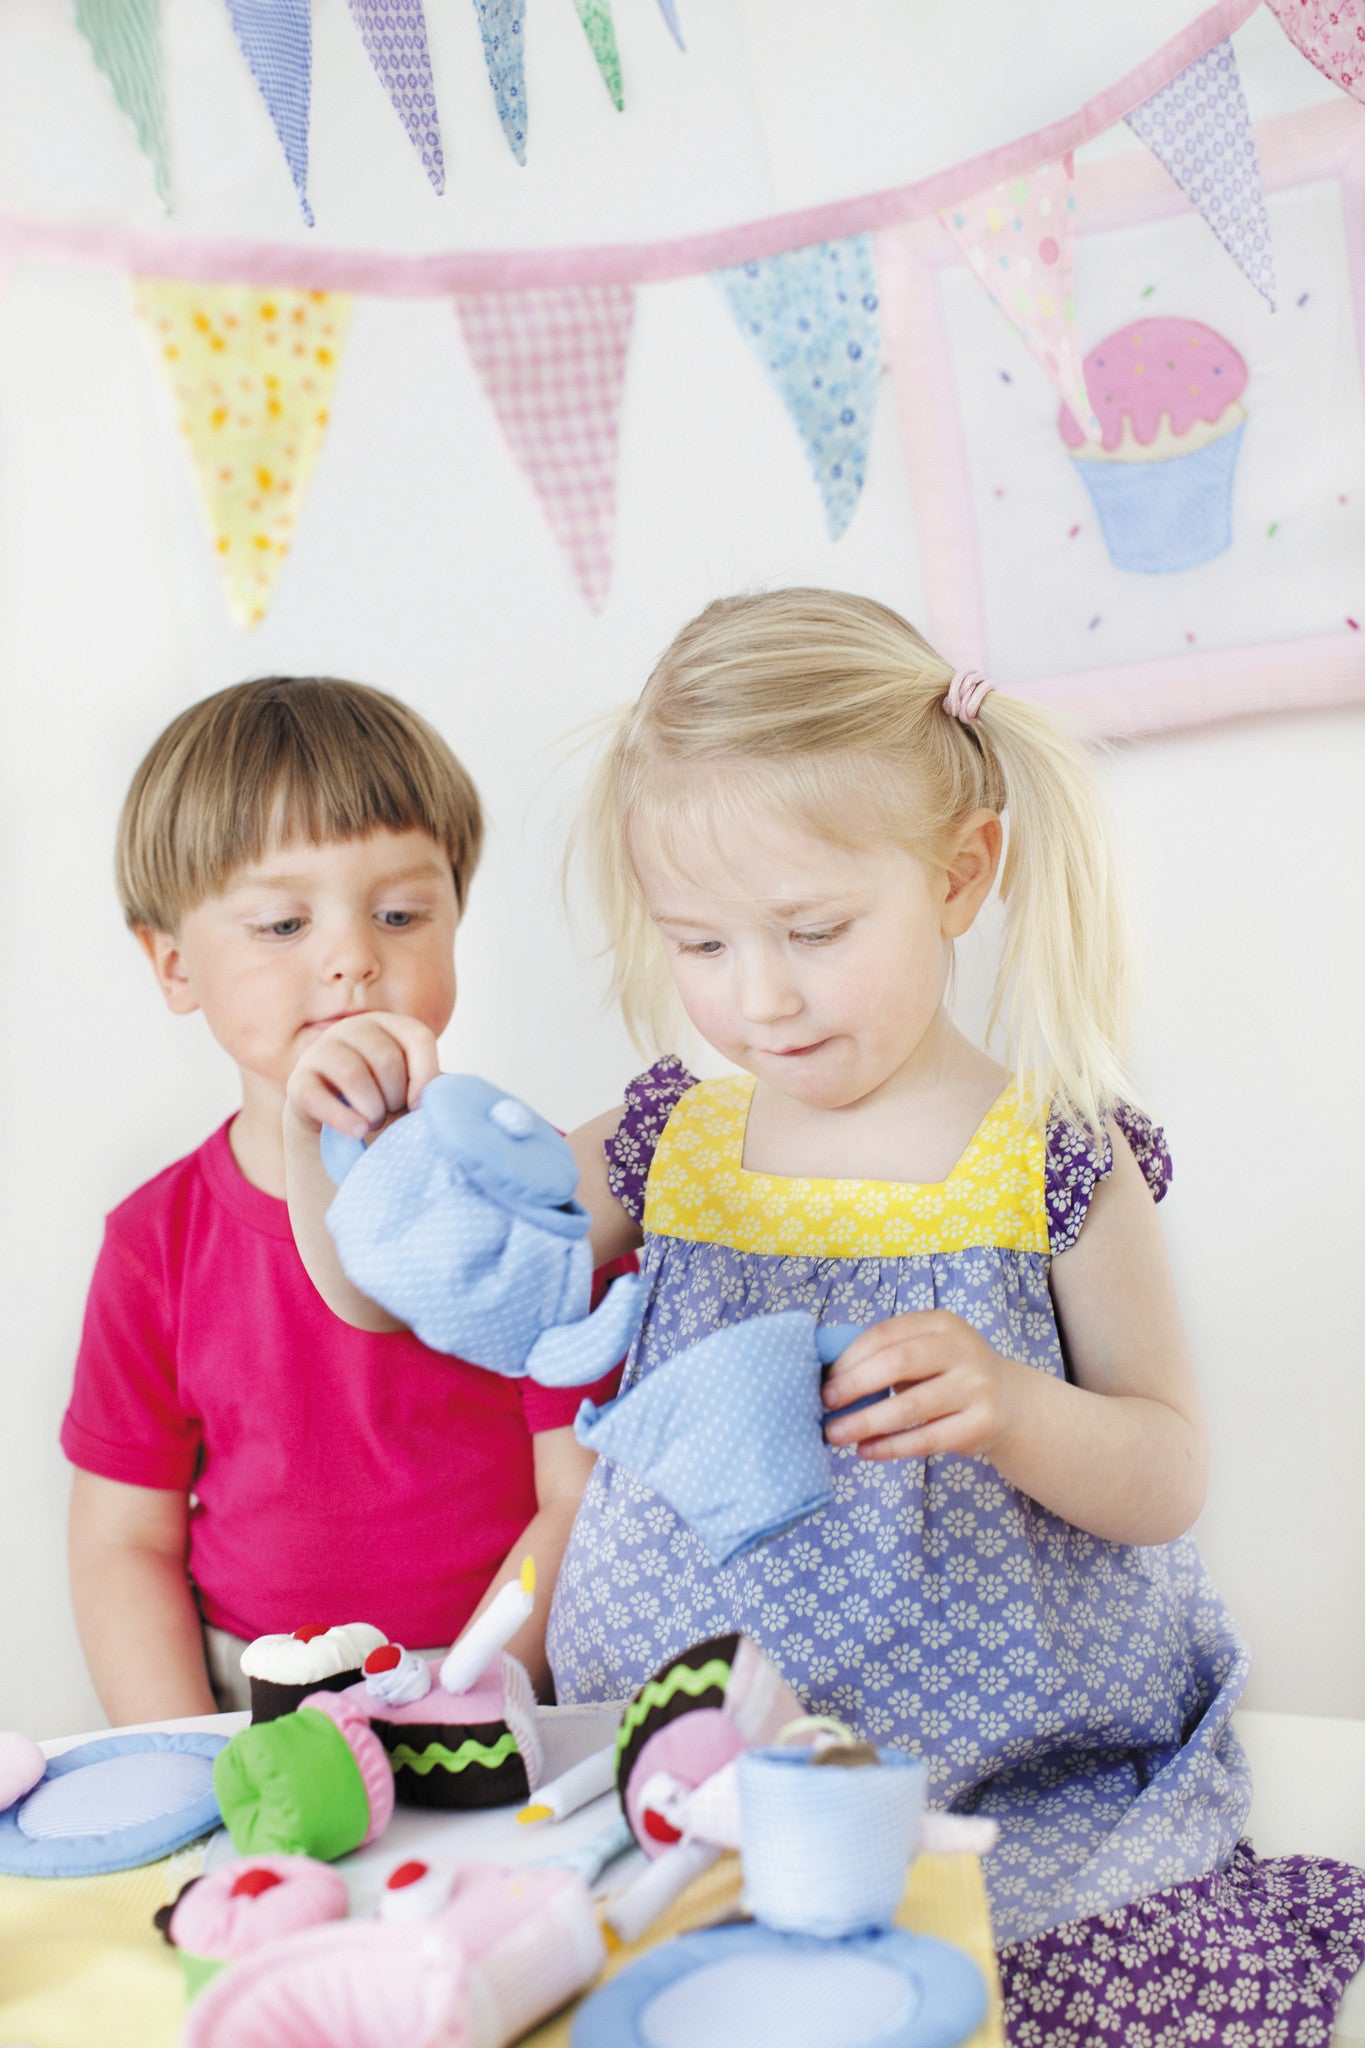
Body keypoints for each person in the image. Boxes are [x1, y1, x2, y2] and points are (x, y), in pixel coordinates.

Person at [537, 589, 1362, 2036]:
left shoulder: (1048, 1153)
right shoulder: (667, 1136)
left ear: (961, 875)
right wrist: (358, 1136)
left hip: (997, 1783)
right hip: (681, 1776)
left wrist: (1022, 1411)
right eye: (702, 945)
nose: (761, 999)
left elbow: (1165, 1473)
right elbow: (436, 1277)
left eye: (812, 928)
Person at [63, 676, 624, 1724]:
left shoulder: (548, 1195)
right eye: (282, 923)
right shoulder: (156, 1243)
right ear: (174, 963)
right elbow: (123, 1539)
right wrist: (187, 1747)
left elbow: (580, 1496)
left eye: (402, 912)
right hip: (250, 1697)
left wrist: (470, 1690)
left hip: (504, 1680)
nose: (353, 956)